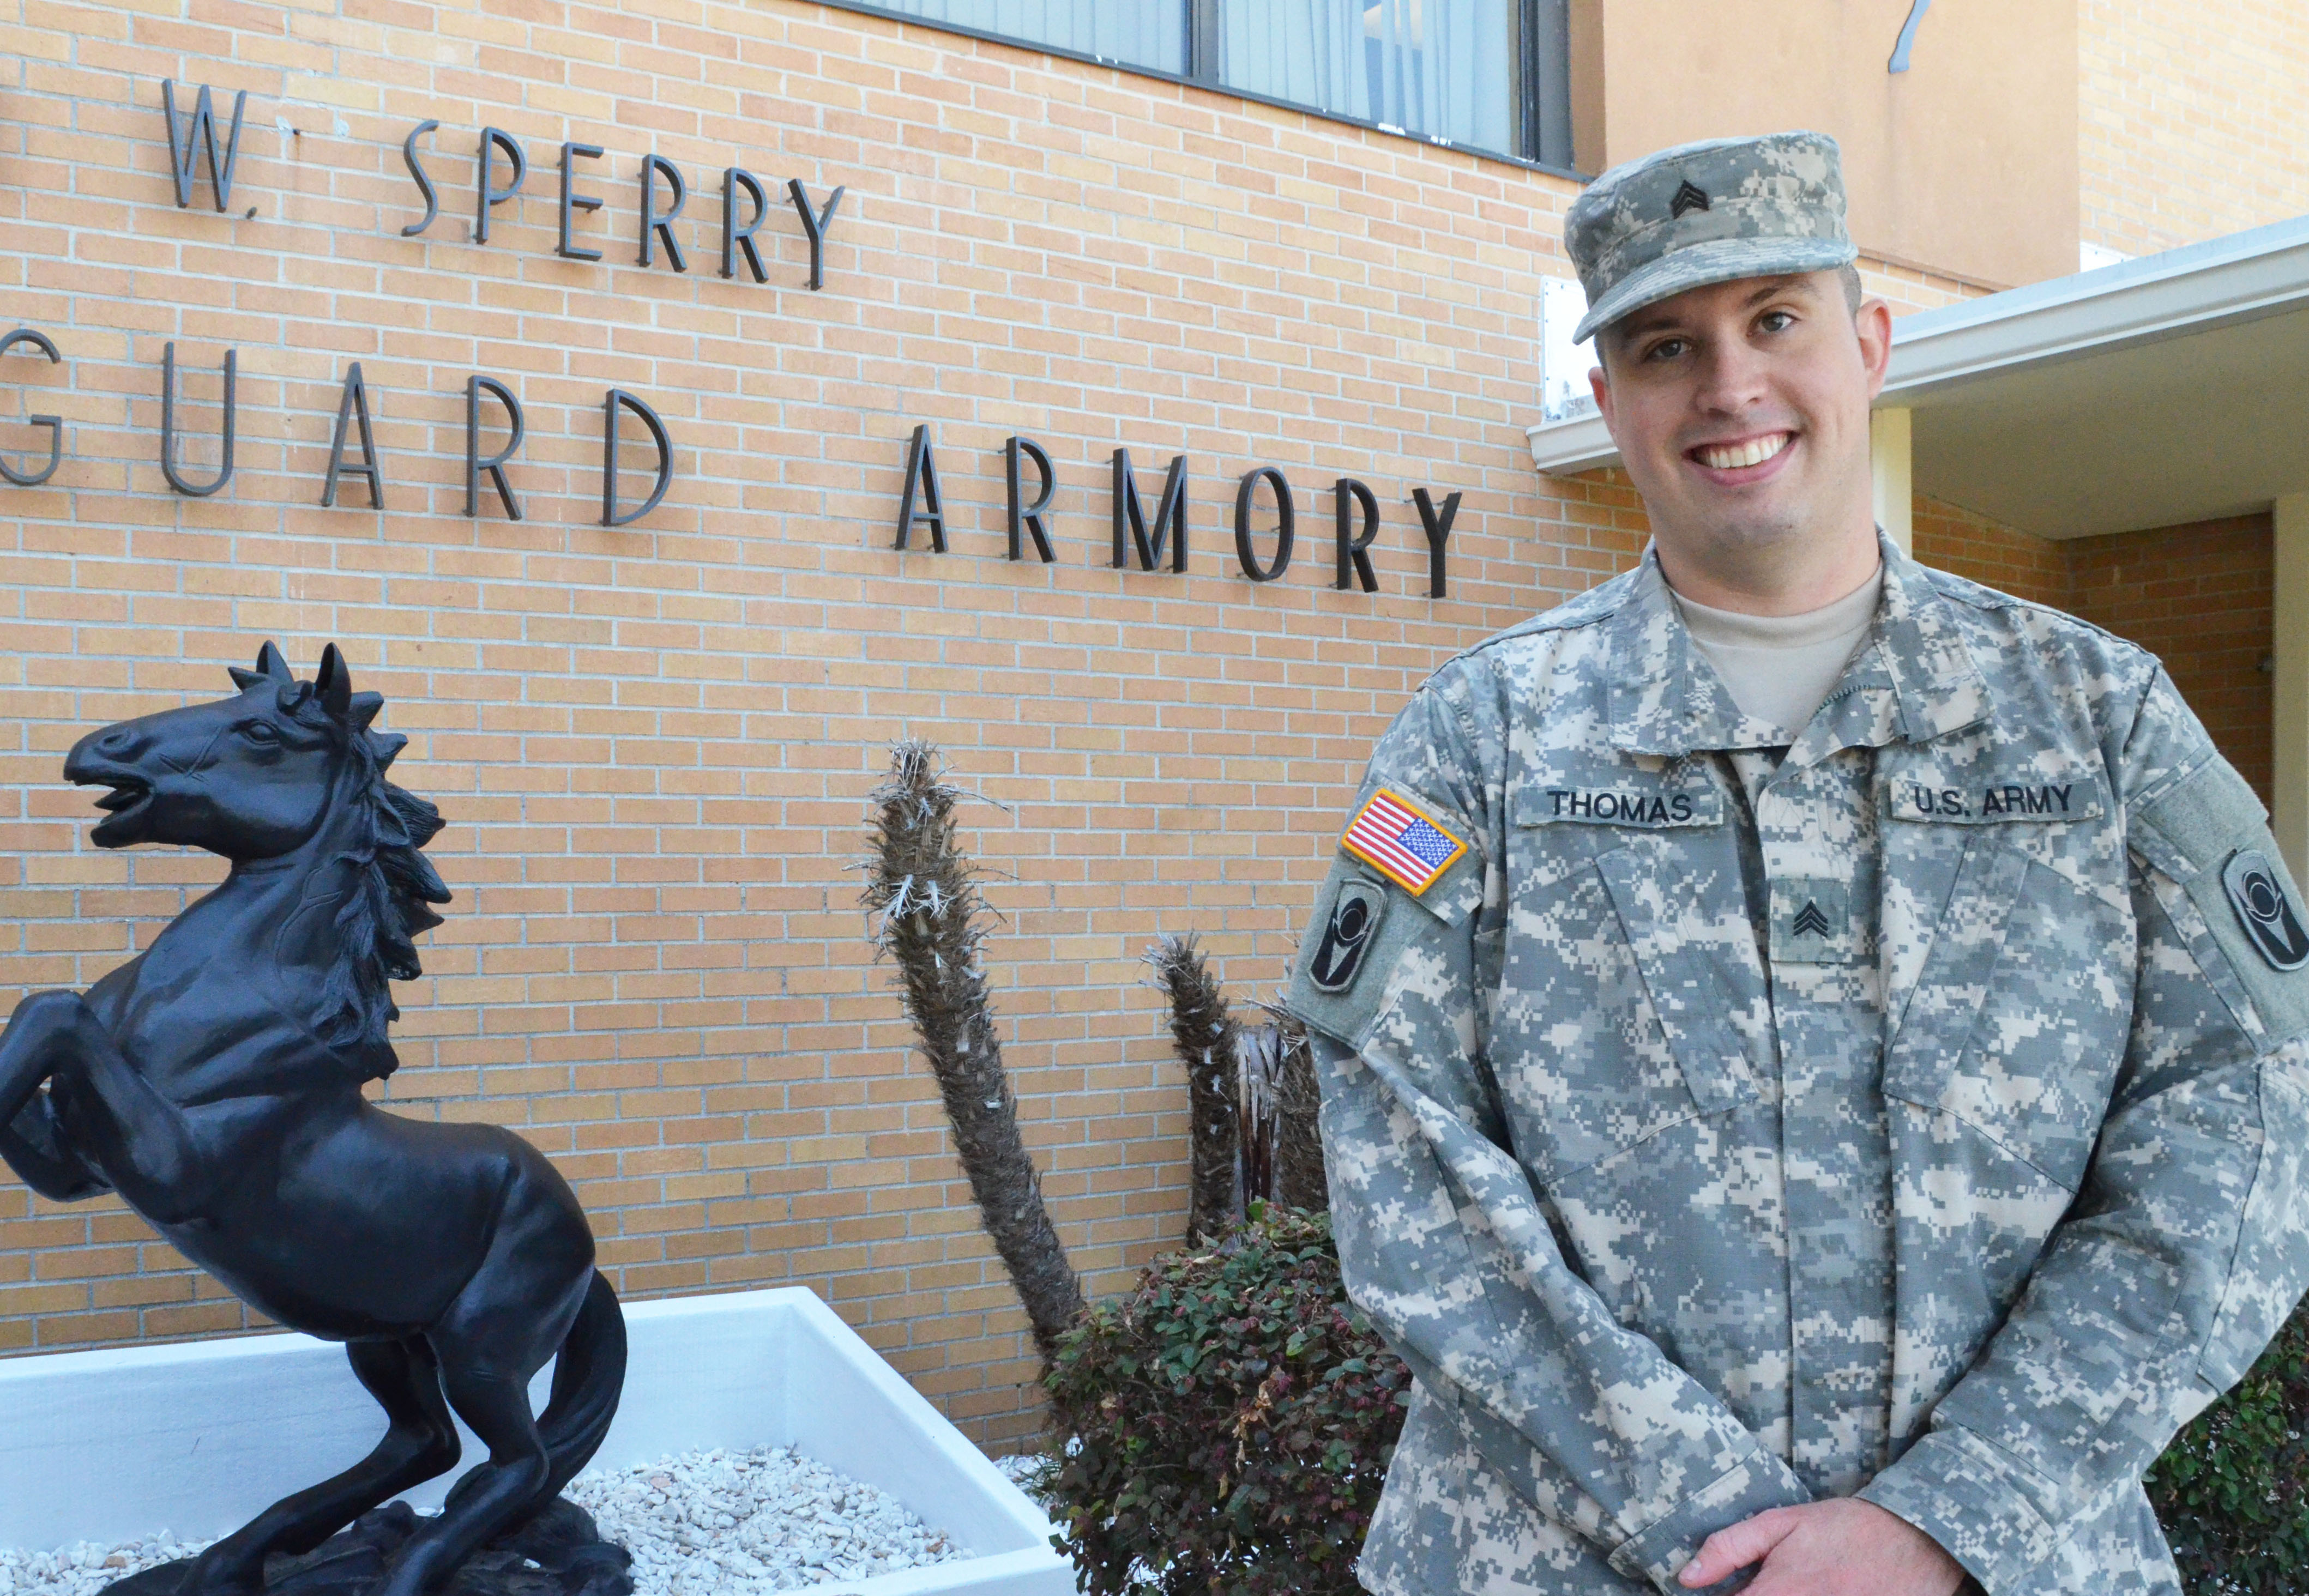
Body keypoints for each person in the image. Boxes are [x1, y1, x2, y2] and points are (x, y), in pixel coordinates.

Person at [1289, 129, 2309, 1596]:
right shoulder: (1478, 738)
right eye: (1662, 346)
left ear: (1870, 343)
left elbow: (2248, 1119)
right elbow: (1398, 1152)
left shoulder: (2098, 721)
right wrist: (1717, 1525)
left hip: (2004, 1563)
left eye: (1773, 319)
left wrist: (1946, 1515)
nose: (1727, 386)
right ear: (1606, 398)